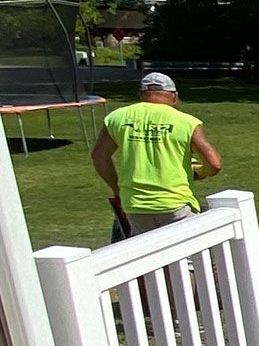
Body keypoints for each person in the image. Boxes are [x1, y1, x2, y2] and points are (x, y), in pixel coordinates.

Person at [92, 71, 222, 238]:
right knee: (188, 258)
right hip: (174, 202)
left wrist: (117, 189)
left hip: (134, 204)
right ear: (174, 96)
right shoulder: (186, 122)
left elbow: (99, 157)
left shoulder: (118, 117)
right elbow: (214, 164)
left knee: (148, 257)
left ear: (141, 95)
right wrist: (200, 172)